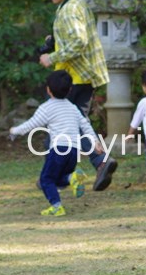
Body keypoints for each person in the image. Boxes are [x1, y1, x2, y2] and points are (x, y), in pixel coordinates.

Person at [39, 0, 117, 191]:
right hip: (82, 76)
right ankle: (100, 162)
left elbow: (78, 42)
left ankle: (56, 176)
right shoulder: (74, 4)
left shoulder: (70, 9)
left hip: (73, 78)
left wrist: (50, 58)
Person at [9, 70, 106, 217]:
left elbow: (32, 124)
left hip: (59, 149)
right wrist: (95, 141)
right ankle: (71, 177)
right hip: (74, 151)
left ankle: (56, 206)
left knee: (45, 179)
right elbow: (85, 125)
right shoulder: (73, 108)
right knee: (58, 179)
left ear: (48, 90)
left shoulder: (47, 108)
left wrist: (15, 130)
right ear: (70, 90)